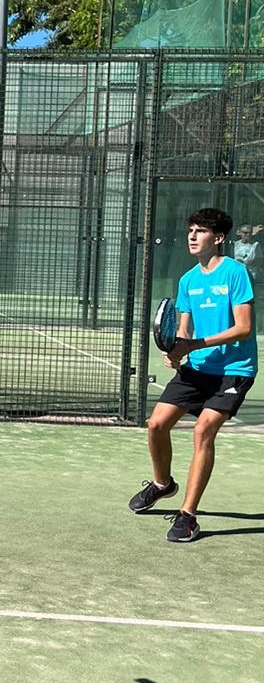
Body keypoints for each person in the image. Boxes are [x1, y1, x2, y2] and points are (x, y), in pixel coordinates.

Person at [128, 206, 256, 543]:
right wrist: (176, 351)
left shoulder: (235, 273)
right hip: (197, 369)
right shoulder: (188, 280)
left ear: (219, 238)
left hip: (234, 371)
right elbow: (183, 330)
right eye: (190, 231)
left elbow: (244, 328)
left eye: (201, 231)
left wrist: (194, 344)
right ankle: (162, 484)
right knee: (156, 425)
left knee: (203, 431)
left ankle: (187, 516)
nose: (193, 236)